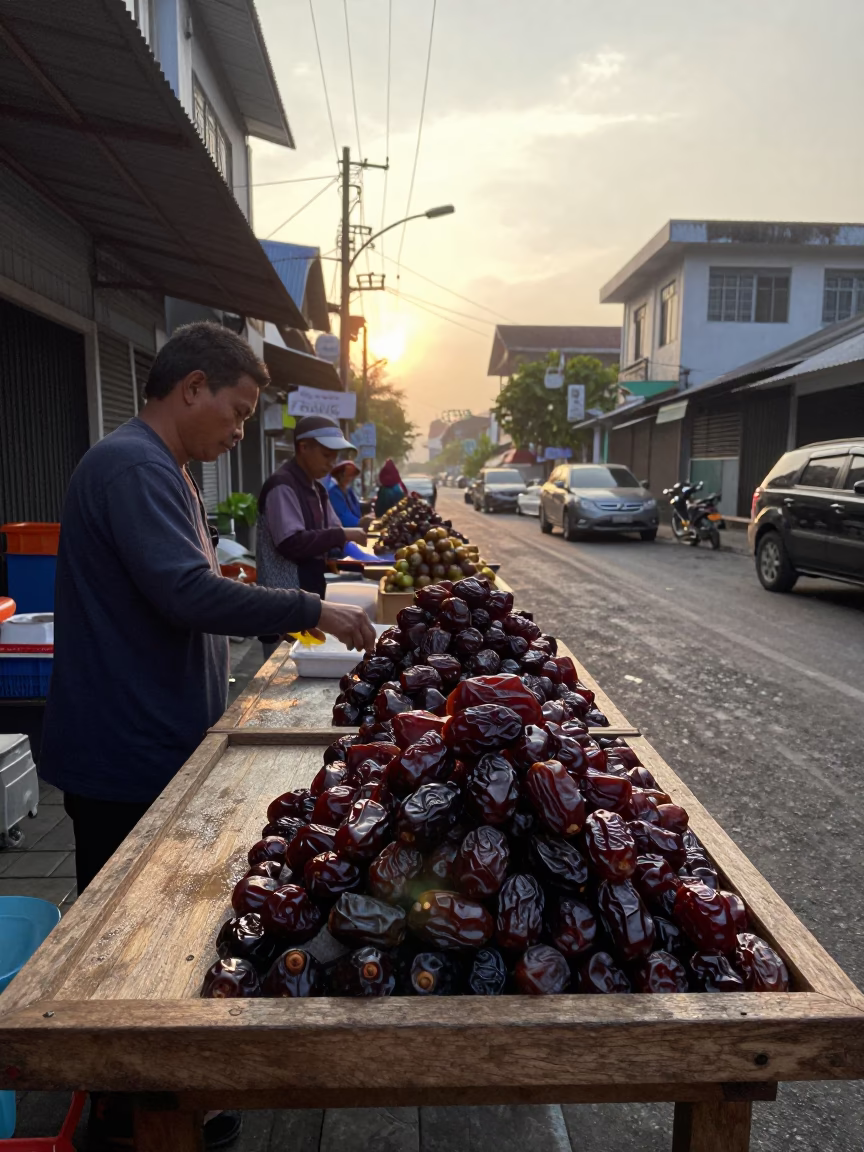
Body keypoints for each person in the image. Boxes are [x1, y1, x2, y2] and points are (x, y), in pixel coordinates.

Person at [39, 322, 374, 1149]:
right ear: (191, 388)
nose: (239, 428)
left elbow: (179, 584)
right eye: (237, 408)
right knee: (126, 943)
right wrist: (306, 608)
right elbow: (182, 593)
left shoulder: (165, 470)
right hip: (123, 750)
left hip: (152, 737)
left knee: (158, 930)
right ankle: (131, 1112)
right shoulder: (131, 467)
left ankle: (162, 1094)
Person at [256, 415, 368, 661]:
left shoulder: (317, 490)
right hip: (283, 601)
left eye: (335, 456)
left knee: (307, 664)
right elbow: (291, 543)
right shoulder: (281, 485)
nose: (332, 463)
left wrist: (347, 547)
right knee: (281, 671)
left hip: (310, 599)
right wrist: (342, 535)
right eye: (327, 455)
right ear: (303, 447)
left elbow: (332, 534)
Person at [326, 459, 373, 530]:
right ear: (339, 475)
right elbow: (343, 515)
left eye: (351, 475)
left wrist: (369, 504)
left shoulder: (348, 490)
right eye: (346, 475)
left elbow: (356, 506)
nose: (349, 478)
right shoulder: (334, 493)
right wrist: (359, 522)